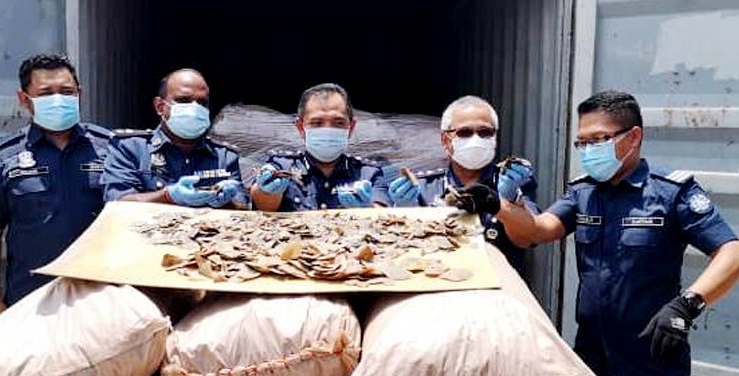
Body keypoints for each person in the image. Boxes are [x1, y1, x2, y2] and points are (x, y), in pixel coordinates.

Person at [484, 90, 739, 376]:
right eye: (582, 142)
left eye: (598, 140)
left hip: (656, 363)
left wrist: (687, 305)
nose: (589, 151)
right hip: (596, 365)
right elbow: (537, 231)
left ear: (632, 137)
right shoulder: (583, 192)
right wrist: (499, 204)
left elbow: (730, 251)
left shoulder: (671, 192)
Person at [0, 54, 111, 322]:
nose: (58, 99)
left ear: (79, 94)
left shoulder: (109, 148)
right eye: (46, 93)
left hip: (102, 297)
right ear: (25, 100)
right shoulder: (4, 157)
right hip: (32, 301)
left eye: (66, 92)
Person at [386, 95, 538, 274]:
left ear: (494, 137)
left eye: (485, 132)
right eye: (464, 133)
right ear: (445, 140)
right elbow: (401, 249)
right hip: (439, 282)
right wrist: (404, 210)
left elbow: (529, 237)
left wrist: (507, 202)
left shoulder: (515, 181)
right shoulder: (425, 186)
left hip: (500, 284)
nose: (476, 139)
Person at [101, 68, 247, 208]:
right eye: (183, 100)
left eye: (202, 102)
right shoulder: (130, 148)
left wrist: (226, 201)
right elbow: (117, 202)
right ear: (160, 106)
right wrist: (167, 196)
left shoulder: (224, 156)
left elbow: (243, 208)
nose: (194, 108)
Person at [251, 83, 389, 211]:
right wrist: (267, 191)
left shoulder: (368, 172)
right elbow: (262, 205)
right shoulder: (282, 165)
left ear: (351, 127)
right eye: (317, 123)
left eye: (339, 123)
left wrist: (367, 209)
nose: (328, 130)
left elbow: (383, 214)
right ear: (300, 127)